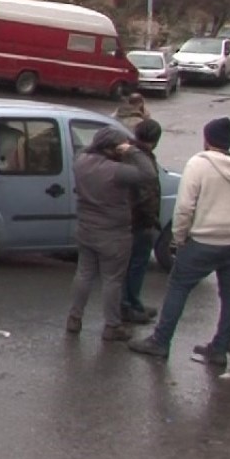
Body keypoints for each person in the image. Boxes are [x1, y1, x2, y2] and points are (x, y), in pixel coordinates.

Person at [129, 117, 230, 366]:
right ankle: (219, 349)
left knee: (178, 287)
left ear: (207, 140)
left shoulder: (198, 165)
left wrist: (179, 239)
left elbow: (184, 208)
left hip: (204, 240)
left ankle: (160, 341)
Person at [66, 127, 146, 341]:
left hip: (86, 228)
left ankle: (74, 318)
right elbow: (148, 173)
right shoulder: (115, 171)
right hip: (113, 234)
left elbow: (83, 150)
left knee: (84, 274)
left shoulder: (81, 161)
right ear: (112, 149)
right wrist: (133, 151)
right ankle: (112, 325)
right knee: (112, 280)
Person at [121, 119, 163, 325]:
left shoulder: (127, 153)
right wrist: (151, 219)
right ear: (155, 140)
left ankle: (133, 303)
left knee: (131, 265)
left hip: (128, 219)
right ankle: (129, 306)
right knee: (135, 265)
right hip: (138, 221)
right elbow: (146, 193)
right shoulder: (140, 158)